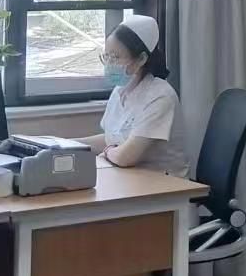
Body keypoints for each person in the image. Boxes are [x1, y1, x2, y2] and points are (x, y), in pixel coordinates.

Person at [79, 16, 188, 176]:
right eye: (106, 56)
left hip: (165, 184)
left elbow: (126, 156)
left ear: (141, 59)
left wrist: (108, 151)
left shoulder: (160, 96)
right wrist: (66, 144)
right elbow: (111, 138)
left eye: (115, 57)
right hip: (130, 178)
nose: (109, 64)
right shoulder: (120, 89)